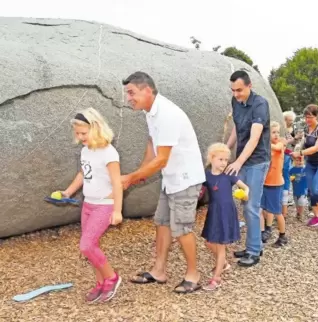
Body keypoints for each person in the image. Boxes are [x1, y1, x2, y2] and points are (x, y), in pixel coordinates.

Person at [122, 72, 205, 294]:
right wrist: (139, 174)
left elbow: (161, 159)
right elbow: (152, 146)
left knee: (182, 229)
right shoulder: (150, 112)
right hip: (171, 178)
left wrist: (130, 178)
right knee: (162, 222)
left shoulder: (167, 114)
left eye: (132, 92)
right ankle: (159, 271)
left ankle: (193, 275)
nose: (128, 98)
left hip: (185, 179)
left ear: (147, 90)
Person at [60, 108, 123, 303]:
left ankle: (112, 278)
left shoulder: (109, 153)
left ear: (96, 128)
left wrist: (117, 210)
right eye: (77, 134)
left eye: (83, 133)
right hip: (88, 204)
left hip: (104, 206)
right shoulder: (86, 151)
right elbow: (83, 173)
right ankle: (100, 283)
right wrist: (68, 191)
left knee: (86, 245)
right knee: (92, 246)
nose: (79, 137)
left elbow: (117, 183)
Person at [226, 70, 270, 267]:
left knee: (251, 205)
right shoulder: (236, 102)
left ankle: (254, 251)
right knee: (244, 203)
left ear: (250, 86)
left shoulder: (260, 104)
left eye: (240, 90)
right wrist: (226, 149)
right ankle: (254, 243)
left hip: (256, 161)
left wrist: (238, 162)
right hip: (242, 160)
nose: (236, 94)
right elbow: (237, 126)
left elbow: (254, 138)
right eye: (233, 90)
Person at [201, 143, 249, 291]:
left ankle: (216, 279)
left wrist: (245, 194)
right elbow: (200, 190)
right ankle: (225, 264)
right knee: (209, 243)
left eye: (226, 160)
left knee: (220, 246)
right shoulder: (207, 175)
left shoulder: (229, 174)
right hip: (214, 212)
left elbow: (245, 187)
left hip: (226, 212)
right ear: (211, 158)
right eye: (220, 159)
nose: (223, 163)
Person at [291, 104, 318, 230]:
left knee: (317, 189)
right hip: (310, 163)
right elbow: (303, 144)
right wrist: (298, 154)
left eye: (310, 117)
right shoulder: (306, 129)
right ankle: (316, 216)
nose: (307, 120)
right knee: (310, 190)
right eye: (306, 117)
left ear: (316, 116)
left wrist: (301, 153)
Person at [261, 122, 288, 247]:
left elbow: (277, 148)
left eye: (278, 132)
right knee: (267, 208)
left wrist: (263, 141)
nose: (277, 134)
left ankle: (282, 236)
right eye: (273, 132)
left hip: (275, 184)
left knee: (277, 211)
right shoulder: (267, 147)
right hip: (266, 182)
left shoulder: (279, 145)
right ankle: (268, 228)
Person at [282, 111, 301, 216]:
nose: (290, 122)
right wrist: (295, 138)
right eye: (289, 120)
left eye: (291, 121)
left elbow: (293, 143)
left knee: (288, 174)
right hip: (284, 153)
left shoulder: (292, 129)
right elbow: (284, 141)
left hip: (289, 154)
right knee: (285, 174)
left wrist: (297, 139)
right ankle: (285, 196)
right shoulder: (282, 129)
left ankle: (287, 196)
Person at [289, 156, 308, 221]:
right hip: (295, 189)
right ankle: (298, 212)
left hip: (303, 190)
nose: (299, 162)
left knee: (301, 203)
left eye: (300, 161)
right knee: (296, 203)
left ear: (303, 161)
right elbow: (290, 178)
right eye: (297, 160)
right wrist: (291, 179)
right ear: (294, 161)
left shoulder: (305, 169)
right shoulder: (292, 170)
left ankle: (301, 214)